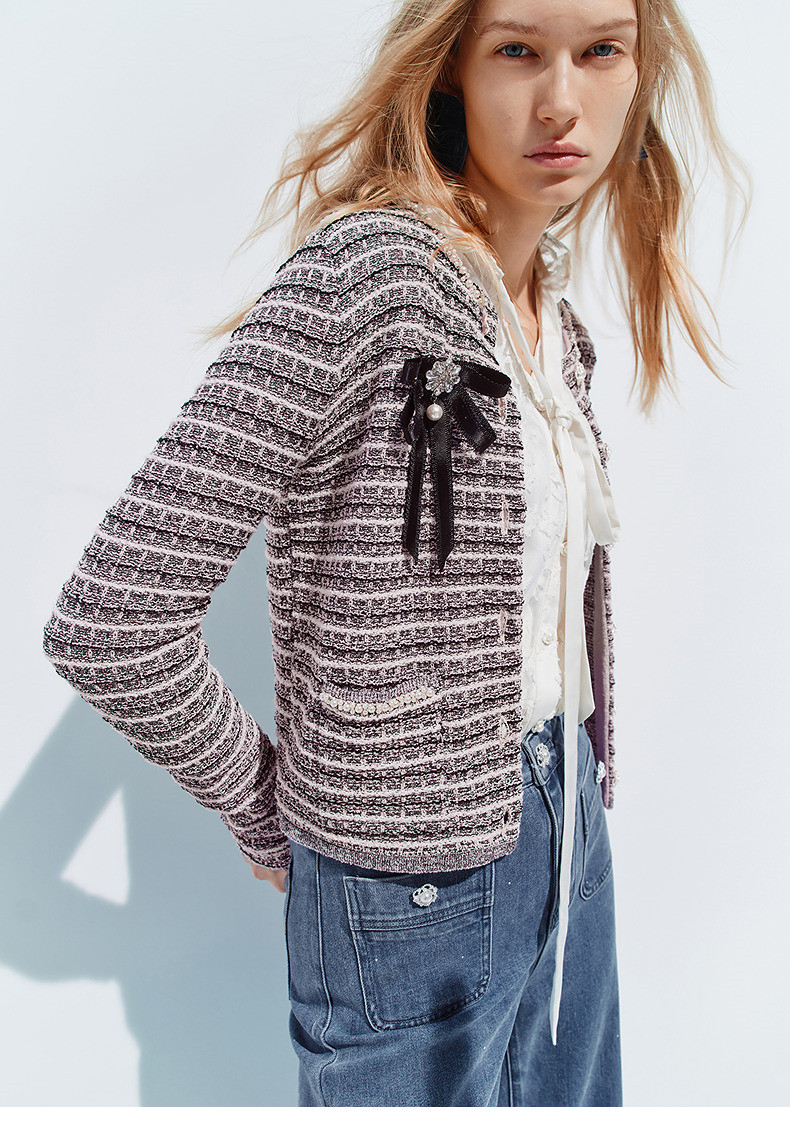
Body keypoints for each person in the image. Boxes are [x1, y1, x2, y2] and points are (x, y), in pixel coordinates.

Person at [42, 0, 750, 1108]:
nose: (562, 101)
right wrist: (269, 806)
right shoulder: (363, 279)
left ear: (639, 70)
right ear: (451, 67)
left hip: (570, 830)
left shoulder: (553, 319)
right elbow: (113, 619)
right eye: (518, 51)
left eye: (601, 50)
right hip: (406, 892)